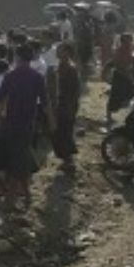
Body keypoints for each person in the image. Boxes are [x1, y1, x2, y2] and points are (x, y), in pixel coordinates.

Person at [0, 44, 52, 207]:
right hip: (28, 124)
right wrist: (52, 122)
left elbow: (0, 101)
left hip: (11, 122)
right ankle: (25, 194)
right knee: (21, 156)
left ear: (18, 58)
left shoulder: (10, 76)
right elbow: (45, 102)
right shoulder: (37, 77)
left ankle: (13, 197)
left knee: (16, 158)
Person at [52, 43, 81, 171]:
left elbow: (75, 92)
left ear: (67, 53)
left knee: (65, 133)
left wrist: (70, 108)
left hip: (67, 106)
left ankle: (69, 161)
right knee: (60, 133)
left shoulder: (71, 69)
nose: (57, 52)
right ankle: (66, 159)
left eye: (60, 50)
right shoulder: (61, 66)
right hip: (61, 104)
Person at [106, 33, 134, 125]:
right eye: (129, 40)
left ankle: (132, 114)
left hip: (127, 75)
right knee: (114, 97)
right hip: (119, 76)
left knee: (133, 94)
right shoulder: (119, 51)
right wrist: (126, 71)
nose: (130, 42)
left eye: (131, 40)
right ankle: (109, 118)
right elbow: (117, 64)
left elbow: (130, 61)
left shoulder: (129, 49)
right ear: (123, 41)